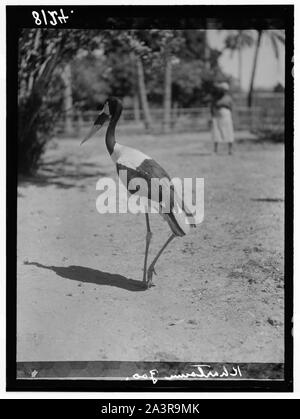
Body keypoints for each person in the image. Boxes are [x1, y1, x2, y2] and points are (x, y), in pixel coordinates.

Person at [210, 82, 234, 155]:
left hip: (226, 116)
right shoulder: (216, 98)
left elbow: (231, 108)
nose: (222, 91)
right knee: (216, 132)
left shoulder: (228, 98)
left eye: (223, 90)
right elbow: (212, 107)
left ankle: (230, 150)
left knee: (229, 131)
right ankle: (215, 150)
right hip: (217, 116)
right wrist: (213, 115)